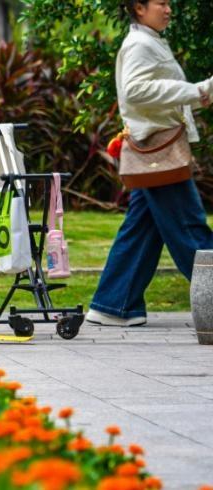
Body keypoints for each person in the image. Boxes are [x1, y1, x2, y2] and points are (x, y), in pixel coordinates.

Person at [88, 0, 213, 327]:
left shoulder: (149, 40)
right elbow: (136, 91)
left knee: (142, 228)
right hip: (158, 152)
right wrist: (195, 91)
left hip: (156, 150)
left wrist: (198, 95)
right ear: (139, 7)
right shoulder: (141, 44)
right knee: (191, 228)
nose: (169, 9)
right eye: (162, 3)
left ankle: (114, 304)